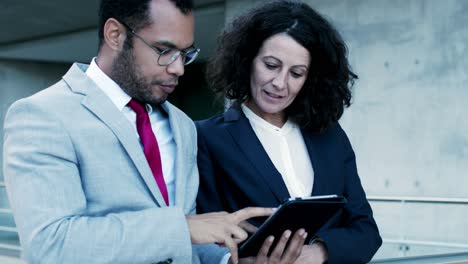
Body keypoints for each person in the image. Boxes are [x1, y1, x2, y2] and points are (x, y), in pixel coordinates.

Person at [3, 0, 308, 263]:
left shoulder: (183, 126)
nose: (179, 68)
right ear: (115, 35)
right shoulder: (43, 115)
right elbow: (50, 247)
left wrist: (231, 260)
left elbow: (184, 246)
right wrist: (184, 227)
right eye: (165, 50)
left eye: (186, 54)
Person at [196, 1, 383, 263]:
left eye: (296, 73)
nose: (280, 83)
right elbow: (204, 237)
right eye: (271, 65)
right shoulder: (207, 138)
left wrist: (317, 253)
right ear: (247, 60)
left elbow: (366, 230)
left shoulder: (329, 135)